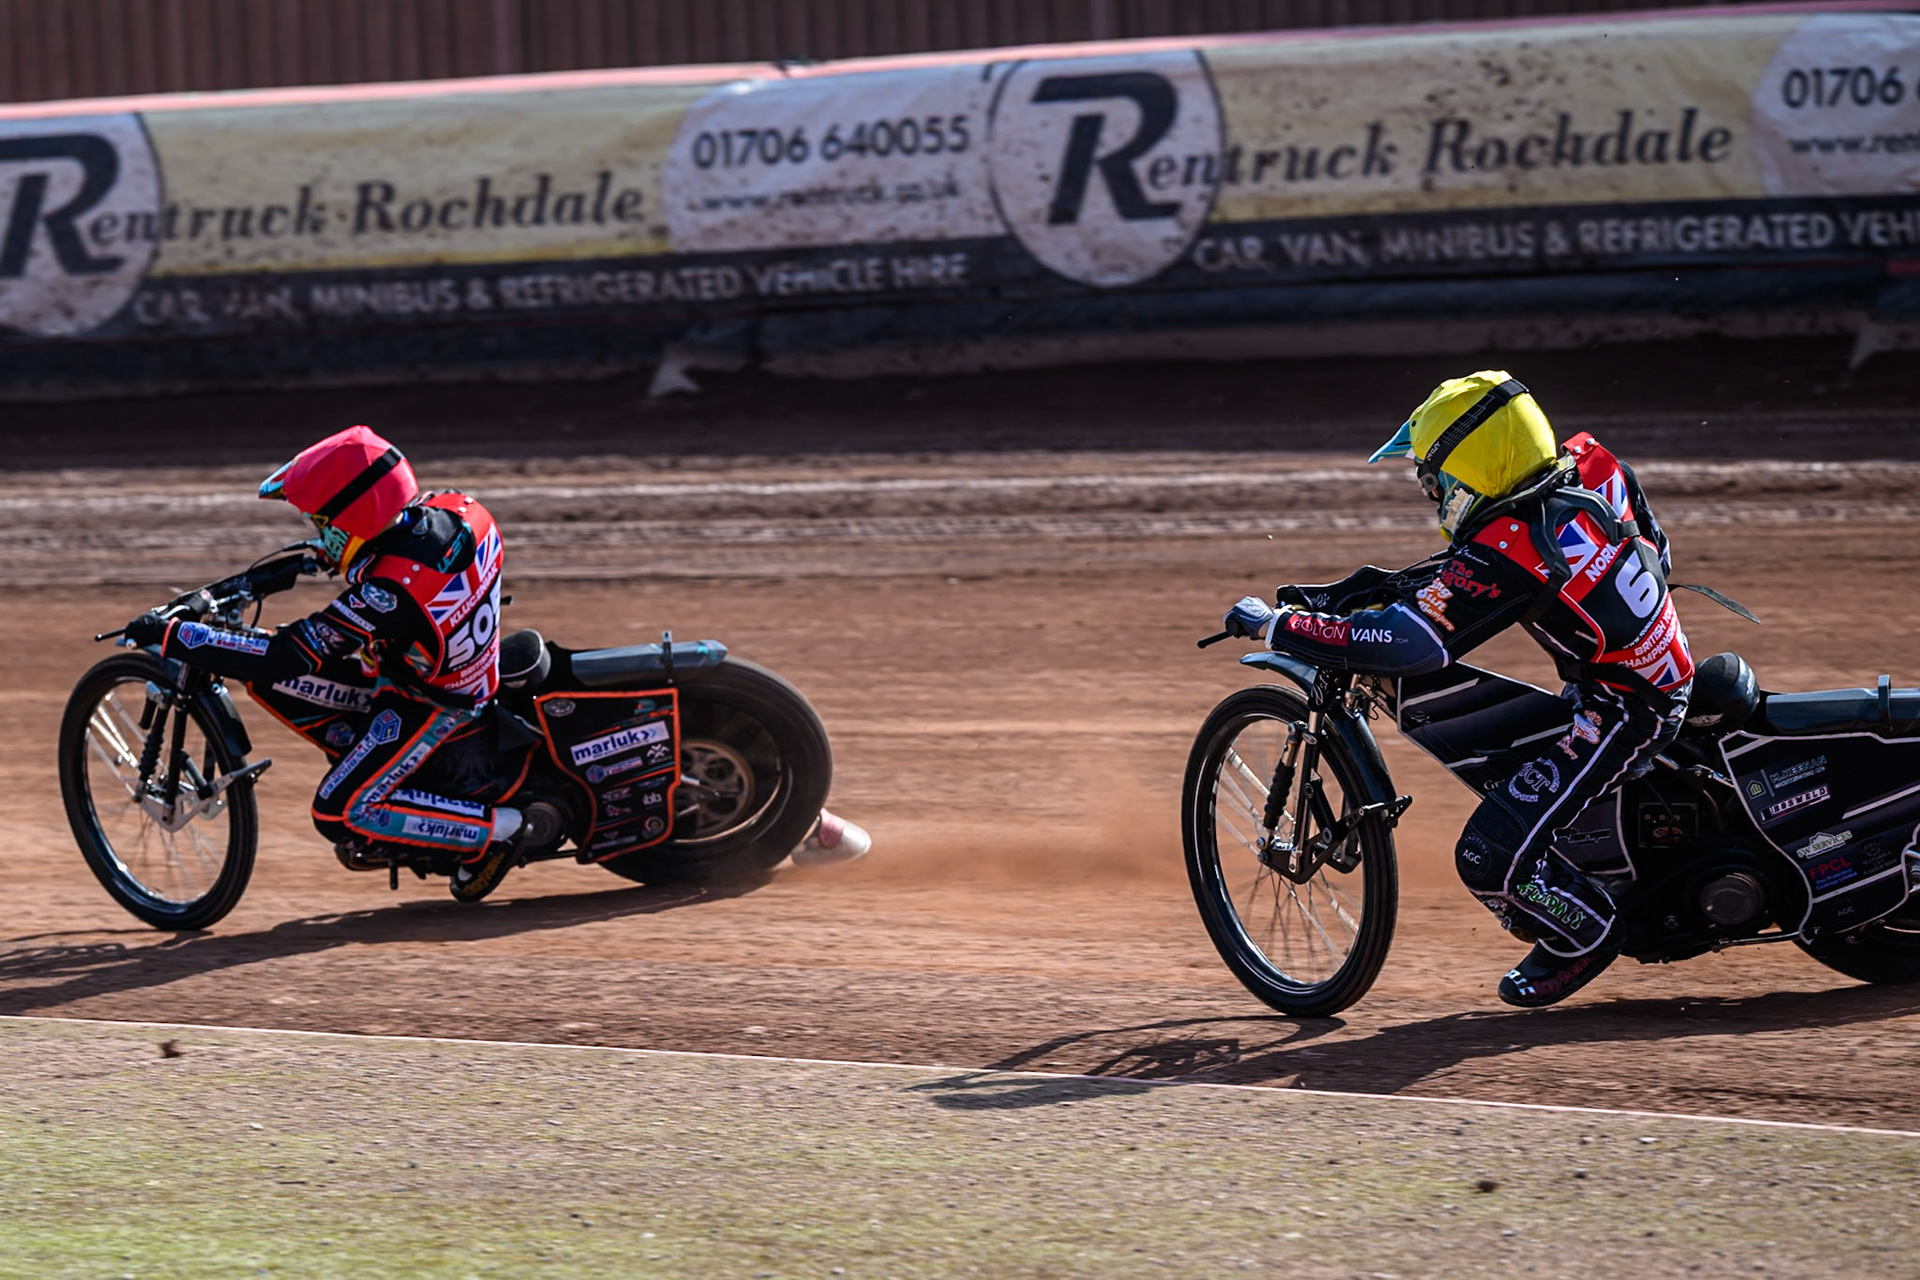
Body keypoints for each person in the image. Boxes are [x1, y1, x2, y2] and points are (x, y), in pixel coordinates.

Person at [1221, 372, 1693, 1007]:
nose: (1431, 493)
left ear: (1471, 468)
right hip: (1649, 675)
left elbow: (1413, 644)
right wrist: (1360, 592)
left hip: (1623, 714)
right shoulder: (1589, 469)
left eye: (1432, 478)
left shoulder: (1518, 545)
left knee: (1487, 858)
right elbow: (1653, 548)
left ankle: (1589, 932)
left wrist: (1280, 625)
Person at [122, 425, 561, 902]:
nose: (318, 534)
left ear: (356, 518)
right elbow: (342, 557)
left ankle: (500, 832)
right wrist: (229, 590)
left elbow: (283, 656)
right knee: (270, 687)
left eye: (322, 523)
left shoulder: (388, 594)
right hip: (442, 668)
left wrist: (174, 635)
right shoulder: (457, 510)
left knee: (339, 811)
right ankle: (388, 772)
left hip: (434, 705)